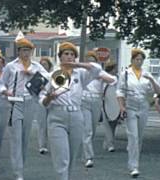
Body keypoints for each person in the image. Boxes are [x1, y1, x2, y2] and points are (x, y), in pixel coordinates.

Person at [38, 42, 103, 180]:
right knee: (62, 157)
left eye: (72, 55)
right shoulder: (51, 75)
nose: (69, 57)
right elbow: (42, 100)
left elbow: (97, 69)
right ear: (60, 57)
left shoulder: (80, 75)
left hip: (76, 116)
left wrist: (77, 65)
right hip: (57, 116)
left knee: (73, 156)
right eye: (66, 54)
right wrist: (50, 97)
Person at [0, 38, 49, 180]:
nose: (26, 53)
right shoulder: (11, 66)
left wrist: (34, 75)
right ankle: (18, 173)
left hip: (30, 101)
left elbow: (48, 77)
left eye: (28, 50)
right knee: (16, 138)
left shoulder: (36, 66)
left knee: (25, 139)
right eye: (23, 50)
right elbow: (1, 83)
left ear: (31, 52)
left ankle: (21, 166)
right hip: (15, 102)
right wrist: (6, 91)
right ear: (19, 51)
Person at [117, 48, 160, 178]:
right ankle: (133, 166)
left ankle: (134, 154)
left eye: (141, 59)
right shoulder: (125, 74)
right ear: (132, 60)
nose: (139, 61)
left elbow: (158, 91)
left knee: (139, 136)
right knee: (133, 136)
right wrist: (121, 107)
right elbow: (119, 91)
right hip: (130, 105)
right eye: (137, 59)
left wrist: (152, 80)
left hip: (143, 105)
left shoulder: (147, 74)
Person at [81, 51, 117, 168]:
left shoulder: (100, 72)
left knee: (93, 129)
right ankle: (88, 157)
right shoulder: (81, 72)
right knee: (87, 130)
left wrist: (101, 76)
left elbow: (113, 80)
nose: (90, 62)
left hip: (96, 101)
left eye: (93, 60)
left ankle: (86, 151)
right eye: (88, 60)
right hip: (84, 100)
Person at [0, 48, 11, 173]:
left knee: (0, 136)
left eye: (1, 62)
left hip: (4, 106)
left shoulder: (7, 74)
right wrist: (4, 91)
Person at [34, 57, 53, 154]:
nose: (43, 66)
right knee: (42, 124)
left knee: (52, 124)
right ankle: (42, 146)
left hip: (52, 101)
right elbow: (32, 90)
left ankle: (53, 145)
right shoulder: (37, 77)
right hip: (40, 102)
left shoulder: (53, 75)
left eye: (45, 64)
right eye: (41, 64)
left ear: (49, 66)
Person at [102, 60, 120, 152]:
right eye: (115, 68)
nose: (116, 70)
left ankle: (108, 142)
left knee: (113, 124)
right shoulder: (104, 78)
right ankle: (110, 144)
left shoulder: (117, 78)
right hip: (106, 104)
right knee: (107, 124)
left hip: (116, 104)